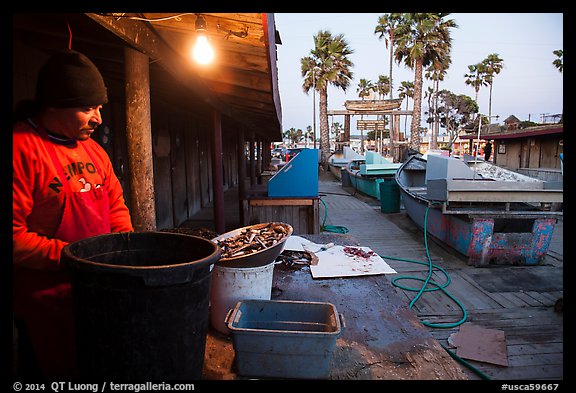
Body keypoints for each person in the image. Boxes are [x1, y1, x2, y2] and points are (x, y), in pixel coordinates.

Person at [13, 49, 134, 379]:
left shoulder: (95, 151)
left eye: (99, 107)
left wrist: (124, 253)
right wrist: (77, 259)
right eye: (87, 108)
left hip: (99, 292)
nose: (98, 118)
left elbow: (116, 208)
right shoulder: (21, 148)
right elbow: (14, 238)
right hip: (46, 303)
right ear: (55, 105)